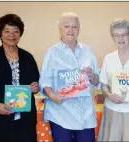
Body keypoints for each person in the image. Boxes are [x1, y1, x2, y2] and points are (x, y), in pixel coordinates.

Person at [39, 12, 100, 142]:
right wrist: (52, 95)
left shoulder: (88, 50)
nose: (70, 30)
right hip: (60, 112)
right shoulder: (52, 52)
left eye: (74, 26)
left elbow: (97, 81)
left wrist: (92, 75)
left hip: (85, 113)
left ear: (79, 29)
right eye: (66, 26)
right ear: (60, 29)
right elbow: (44, 81)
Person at [0, 13, 39, 142]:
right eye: (7, 31)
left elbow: (35, 84)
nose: (11, 35)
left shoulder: (28, 57)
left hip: (25, 119)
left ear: (20, 34)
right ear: (0, 34)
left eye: (16, 31)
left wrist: (36, 87)